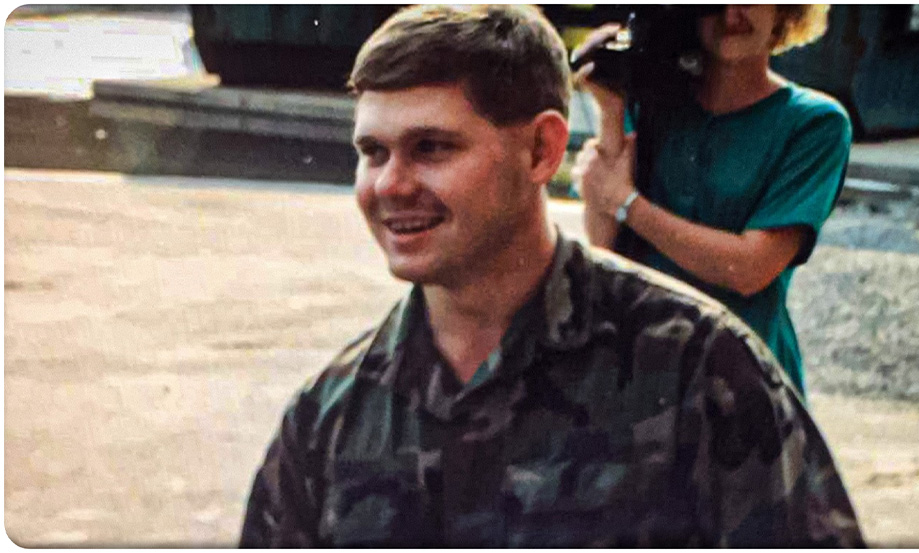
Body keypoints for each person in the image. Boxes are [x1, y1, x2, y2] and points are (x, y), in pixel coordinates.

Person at [239, 4, 863, 547]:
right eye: (372, 152)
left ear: (541, 151)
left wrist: (627, 202)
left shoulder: (704, 376)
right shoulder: (329, 418)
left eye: (432, 148)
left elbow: (749, 264)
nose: (390, 186)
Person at [571, 5, 851, 396]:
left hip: (742, 377)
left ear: (786, 11)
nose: (732, 13)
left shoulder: (813, 123)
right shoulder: (653, 105)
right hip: (643, 368)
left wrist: (629, 204)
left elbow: (751, 268)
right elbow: (605, 248)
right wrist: (611, 110)